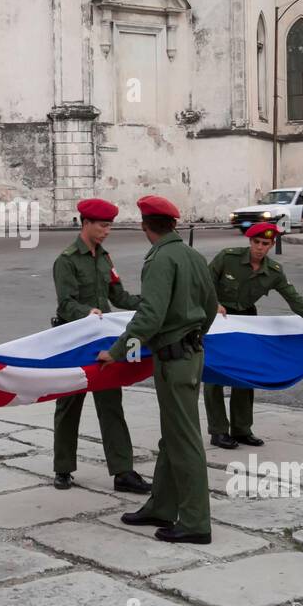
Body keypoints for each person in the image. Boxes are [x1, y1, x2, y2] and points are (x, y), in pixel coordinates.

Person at [97, 195, 218, 544]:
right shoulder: (193, 256)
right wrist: (193, 335)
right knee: (172, 436)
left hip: (174, 359)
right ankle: (162, 506)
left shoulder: (161, 259)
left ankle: (196, 523)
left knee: (185, 441)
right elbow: (210, 307)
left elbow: (150, 315)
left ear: (144, 225)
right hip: (190, 354)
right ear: (173, 224)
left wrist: (117, 351)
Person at [205, 222, 303, 449]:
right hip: (217, 320)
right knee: (215, 376)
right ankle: (219, 431)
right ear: (250, 242)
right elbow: (204, 283)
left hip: (247, 322)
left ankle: (242, 429)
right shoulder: (227, 258)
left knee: (245, 375)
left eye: (265, 244)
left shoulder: (273, 272)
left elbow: (296, 301)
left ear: (272, 245)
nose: (259, 248)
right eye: (256, 242)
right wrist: (213, 303)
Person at [51, 198, 151, 493]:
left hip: (103, 342)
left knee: (111, 405)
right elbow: (65, 304)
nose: (107, 231)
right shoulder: (66, 260)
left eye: (109, 226)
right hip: (74, 342)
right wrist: (87, 312)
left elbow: (119, 296)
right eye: (103, 226)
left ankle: (122, 472)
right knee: (69, 405)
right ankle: (63, 468)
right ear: (86, 224)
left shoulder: (105, 258)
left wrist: (150, 304)